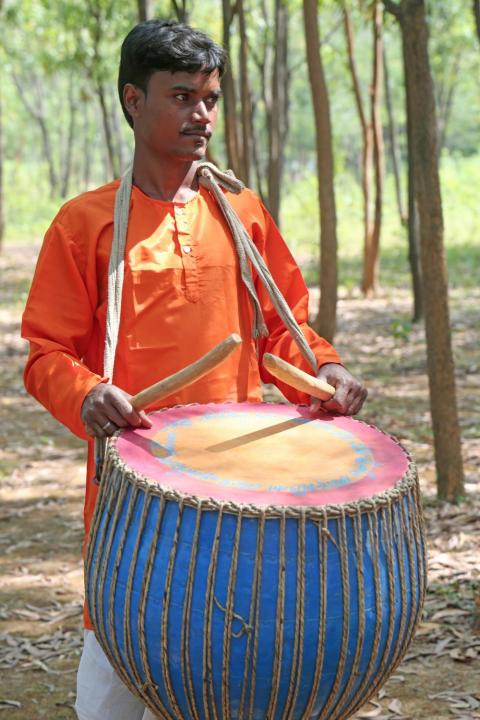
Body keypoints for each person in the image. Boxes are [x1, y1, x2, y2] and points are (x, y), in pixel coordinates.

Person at [21, 19, 367, 720]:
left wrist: (323, 373)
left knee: (225, 676)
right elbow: (45, 356)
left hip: (238, 495)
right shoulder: (82, 224)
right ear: (132, 101)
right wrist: (87, 395)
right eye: (181, 96)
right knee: (113, 690)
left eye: (210, 97)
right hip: (131, 498)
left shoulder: (241, 211)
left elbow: (288, 327)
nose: (201, 114)